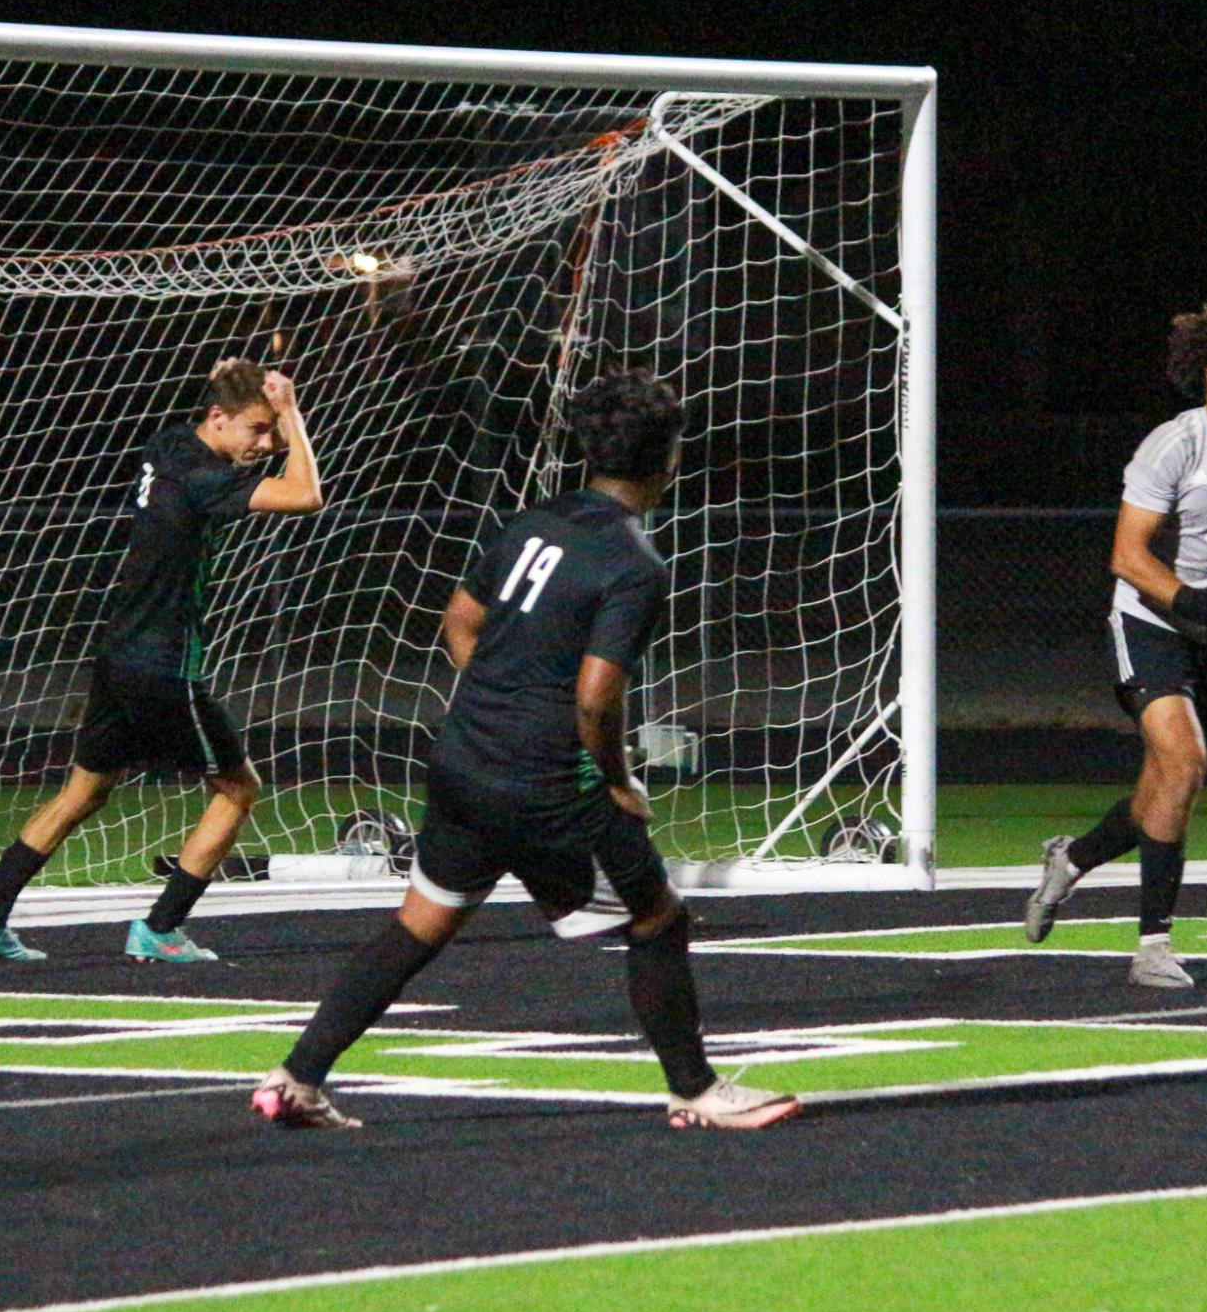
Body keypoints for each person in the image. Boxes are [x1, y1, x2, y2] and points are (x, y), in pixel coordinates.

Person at [252, 368, 798, 1132]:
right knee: (657, 920)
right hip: (544, 783)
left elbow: (458, 622)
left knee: (419, 924)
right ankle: (695, 1090)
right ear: (668, 459)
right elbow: (595, 696)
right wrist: (615, 780)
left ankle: (296, 1077)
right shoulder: (633, 564)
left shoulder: (533, 521)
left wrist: (502, 703)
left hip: (465, 760)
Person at [0, 357, 324, 964]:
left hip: (119, 655)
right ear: (218, 419)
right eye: (256, 430)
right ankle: (161, 928)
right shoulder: (203, 479)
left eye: (270, 434)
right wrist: (289, 410)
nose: (265, 443)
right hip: (163, 666)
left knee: (83, 794)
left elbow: (227, 424)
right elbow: (305, 494)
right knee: (238, 788)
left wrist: (240, 381)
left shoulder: (170, 444)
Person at [1024, 303, 1207, 988]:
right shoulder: (1174, 446)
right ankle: (1151, 946)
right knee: (1183, 761)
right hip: (1153, 622)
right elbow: (1127, 557)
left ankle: (1072, 859)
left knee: (1170, 786)